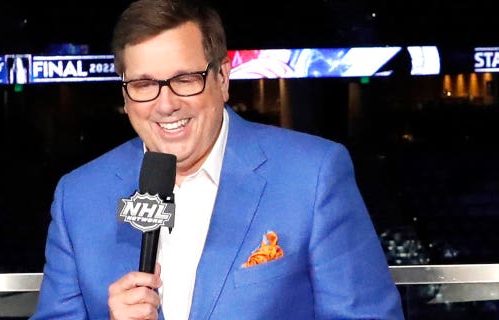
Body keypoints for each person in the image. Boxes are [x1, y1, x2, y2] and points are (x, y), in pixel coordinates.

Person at [31, 0, 404, 319]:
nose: (165, 104)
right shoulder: (78, 196)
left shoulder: (314, 174)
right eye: (144, 85)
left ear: (223, 77)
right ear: (125, 96)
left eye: (185, 78)